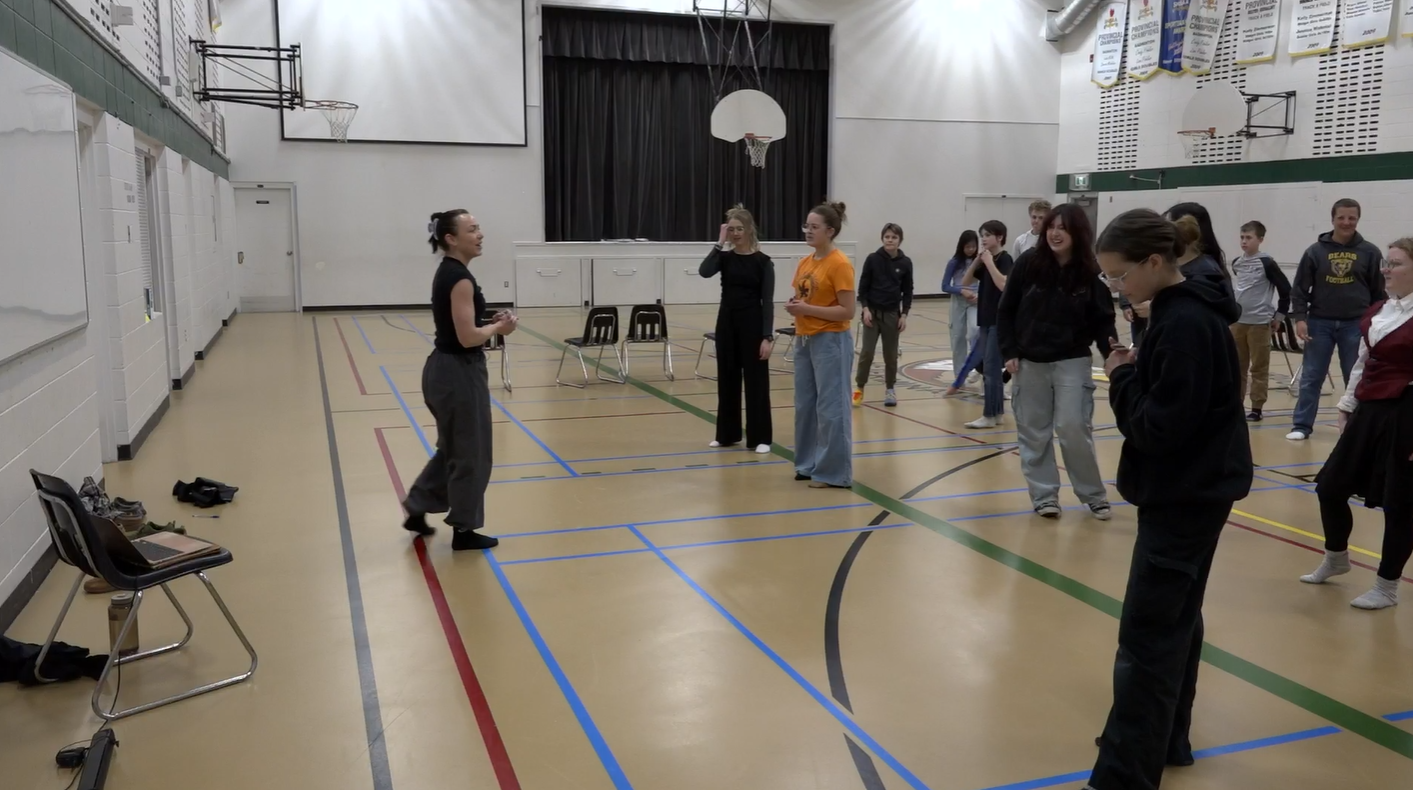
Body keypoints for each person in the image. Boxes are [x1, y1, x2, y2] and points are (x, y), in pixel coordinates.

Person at [1086, 209, 1253, 790]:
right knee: (1178, 619)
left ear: (1155, 262)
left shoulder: (1183, 326)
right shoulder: (1185, 312)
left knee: (1147, 637)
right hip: (1198, 490)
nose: (1116, 287)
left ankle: (1123, 776)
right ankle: (1168, 738)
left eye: (1119, 275)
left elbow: (1157, 428)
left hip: (1184, 495)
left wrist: (1122, 377)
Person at [1298, 238, 1413, 610]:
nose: (1386, 270)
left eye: (1395, 263)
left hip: (1407, 413)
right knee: (1330, 487)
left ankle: (1387, 586)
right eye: (1386, 263)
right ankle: (1336, 557)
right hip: (1370, 410)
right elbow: (1364, 361)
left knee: (1400, 504)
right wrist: (1348, 403)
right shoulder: (1380, 309)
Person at [402, 210, 518, 551]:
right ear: (451, 239)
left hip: (443, 370)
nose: (480, 235)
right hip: (458, 373)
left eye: (479, 228)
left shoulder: (451, 273)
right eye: (472, 230)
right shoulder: (460, 278)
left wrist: (490, 321)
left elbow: (461, 325)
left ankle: (418, 504)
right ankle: (464, 530)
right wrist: (498, 327)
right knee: (472, 454)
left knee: (455, 447)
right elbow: (467, 338)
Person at [997, 204, 1115, 520]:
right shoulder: (1027, 263)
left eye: (1063, 227)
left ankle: (1093, 494)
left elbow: (1104, 320)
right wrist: (1009, 351)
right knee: (1034, 432)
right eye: (1051, 226)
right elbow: (1006, 310)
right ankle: (1044, 496)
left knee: (1073, 426)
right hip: (1030, 362)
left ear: (1078, 232)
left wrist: (1112, 355)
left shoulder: (1091, 271)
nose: (1055, 233)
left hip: (1072, 360)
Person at [1287, 198, 1387, 441]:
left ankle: (1355, 426)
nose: (1346, 222)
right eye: (1341, 217)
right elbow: (1300, 289)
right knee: (1312, 376)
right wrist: (1300, 318)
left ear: (1358, 219)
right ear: (1332, 219)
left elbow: (1378, 292)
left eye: (1352, 218)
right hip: (1319, 322)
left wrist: (1376, 321)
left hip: (1356, 324)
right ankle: (1301, 425)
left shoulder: (1370, 252)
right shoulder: (1314, 251)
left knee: (1355, 377)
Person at [788, 201, 856, 489]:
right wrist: (797, 306)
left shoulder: (839, 264)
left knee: (832, 408)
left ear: (830, 231)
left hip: (831, 341)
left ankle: (834, 472)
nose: (808, 230)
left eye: (814, 227)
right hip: (805, 339)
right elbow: (805, 298)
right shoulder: (805, 262)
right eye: (807, 225)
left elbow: (847, 311)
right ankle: (807, 464)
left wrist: (807, 310)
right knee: (805, 405)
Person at [700, 205, 774, 453]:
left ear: (749, 229)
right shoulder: (725, 258)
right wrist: (719, 242)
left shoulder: (763, 262)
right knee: (727, 379)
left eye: (739, 229)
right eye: (731, 229)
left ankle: (760, 437)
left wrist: (767, 336)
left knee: (756, 383)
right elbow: (704, 272)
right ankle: (727, 434)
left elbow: (767, 302)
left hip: (753, 324)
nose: (735, 233)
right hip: (727, 323)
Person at [1230, 221, 1291, 422]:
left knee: (1259, 367)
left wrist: (1279, 316)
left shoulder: (1267, 263)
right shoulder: (1237, 263)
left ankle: (1256, 407)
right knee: (1237, 366)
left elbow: (1285, 290)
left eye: (1249, 238)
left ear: (1260, 239)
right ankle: (1236, 404)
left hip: (1259, 323)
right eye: (1242, 237)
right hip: (1238, 322)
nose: (1244, 241)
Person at [959, 220, 1013, 428]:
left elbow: (1003, 284)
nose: (983, 239)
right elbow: (965, 282)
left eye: (988, 235)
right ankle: (997, 413)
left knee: (990, 367)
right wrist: (977, 261)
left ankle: (989, 414)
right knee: (990, 368)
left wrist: (989, 262)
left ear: (999, 237)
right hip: (986, 318)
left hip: (999, 320)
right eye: (982, 235)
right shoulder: (986, 259)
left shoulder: (1005, 259)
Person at [854, 223, 914, 408]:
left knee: (891, 355)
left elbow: (908, 291)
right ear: (882, 238)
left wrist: (904, 315)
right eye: (887, 237)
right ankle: (859, 388)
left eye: (894, 237)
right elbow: (863, 287)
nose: (890, 240)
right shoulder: (872, 259)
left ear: (900, 240)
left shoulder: (905, 263)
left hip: (892, 315)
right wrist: (865, 309)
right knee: (867, 353)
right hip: (872, 314)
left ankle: (890, 389)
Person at [942, 230, 980, 377]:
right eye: (967, 247)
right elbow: (945, 286)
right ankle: (960, 374)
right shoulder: (954, 263)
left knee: (975, 330)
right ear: (961, 246)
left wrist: (979, 295)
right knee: (958, 337)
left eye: (973, 246)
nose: (971, 250)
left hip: (974, 301)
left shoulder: (980, 262)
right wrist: (961, 291)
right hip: (958, 302)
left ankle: (976, 367)